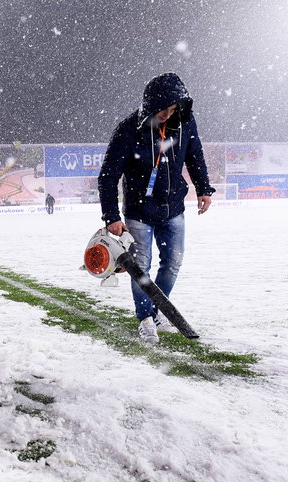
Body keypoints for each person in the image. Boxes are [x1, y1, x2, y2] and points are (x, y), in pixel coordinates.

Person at [97, 72, 213, 343]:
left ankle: (160, 309)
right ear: (151, 104)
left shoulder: (184, 124)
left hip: (174, 208)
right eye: (164, 108)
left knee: (172, 264)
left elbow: (195, 156)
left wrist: (204, 189)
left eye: (174, 109)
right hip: (139, 213)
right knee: (141, 268)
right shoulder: (128, 129)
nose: (168, 114)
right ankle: (146, 318)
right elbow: (108, 175)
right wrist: (112, 216)